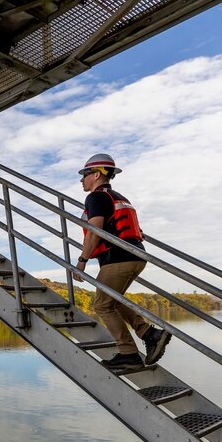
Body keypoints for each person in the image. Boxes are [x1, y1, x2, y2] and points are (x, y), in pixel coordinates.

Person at [72, 153, 171, 373]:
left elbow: (94, 231)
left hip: (118, 258)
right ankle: (149, 333)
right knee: (112, 301)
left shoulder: (96, 198)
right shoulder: (118, 197)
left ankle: (128, 355)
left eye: (84, 175)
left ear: (96, 174)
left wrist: (81, 261)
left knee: (101, 305)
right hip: (135, 256)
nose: (81, 180)